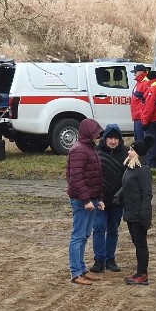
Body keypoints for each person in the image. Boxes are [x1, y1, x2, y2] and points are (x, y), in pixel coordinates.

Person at [66, 118, 104, 286]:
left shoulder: (89, 149)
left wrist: (99, 198)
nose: (98, 137)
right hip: (83, 201)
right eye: (95, 133)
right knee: (78, 236)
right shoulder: (79, 150)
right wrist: (86, 200)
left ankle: (82, 269)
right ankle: (75, 272)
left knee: (84, 235)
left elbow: (96, 177)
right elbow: (76, 178)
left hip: (91, 199)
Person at [113, 138, 154, 286]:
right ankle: (140, 272)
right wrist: (119, 195)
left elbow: (147, 194)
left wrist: (144, 214)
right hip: (130, 211)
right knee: (137, 243)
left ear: (138, 153)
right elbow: (127, 185)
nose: (128, 151)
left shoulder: (143, 170)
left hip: (138, 214)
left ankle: (142, 274)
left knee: (141, 244)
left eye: (131, 149)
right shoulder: (132, 168)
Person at [89, 124, 127, 273]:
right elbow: (91, 177)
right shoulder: (96, 153)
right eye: (110, 138)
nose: (113, 141)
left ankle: (110, 259)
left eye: (116, 138)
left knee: (113, 229)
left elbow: (130, 178)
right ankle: (99, 260)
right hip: (100, 200)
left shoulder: (127, 154)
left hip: (118, 201)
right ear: (104, 139)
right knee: (98, 228)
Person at [130, 64, 150, 141]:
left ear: (141, 72)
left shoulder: (145, 83)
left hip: (140, 116)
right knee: (137, 138)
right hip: (136, 115)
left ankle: (142, 153)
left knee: (140, 140)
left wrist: (144, 116)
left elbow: (147, 102)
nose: (134, 74)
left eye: (135, 72)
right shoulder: (139, 82)